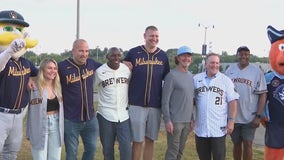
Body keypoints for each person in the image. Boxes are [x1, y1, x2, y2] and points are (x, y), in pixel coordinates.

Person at [124, 25, 170, 160]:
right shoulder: (134, 53)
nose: (154, 39)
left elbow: (167, 80)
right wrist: (123, 63)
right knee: (137, 141)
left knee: (150, 140)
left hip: (155, 105)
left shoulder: (162, 56)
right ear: (145, 36)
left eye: (156, 36)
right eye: (151, 36)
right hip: (136, 104)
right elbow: (121, 70)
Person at [0, 10, 38, 160]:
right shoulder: (4, 59)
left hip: (18, 115)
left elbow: (42, 73)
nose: (16, 34)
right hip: (1, 114)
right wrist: (8, 51)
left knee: (11, 153)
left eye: (19, 30)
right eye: (9, 29)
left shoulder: (25, 62)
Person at [58, 39, 101, 160]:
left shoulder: (91, 64)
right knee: (71, 154)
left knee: (91, 149)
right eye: (81, 51)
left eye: (87, 51)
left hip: (90, 118)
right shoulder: (62, 67)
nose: (84, 54)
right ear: (73, 51)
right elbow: (45, 74)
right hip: (71, 119)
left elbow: (110, 68)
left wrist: (125, 63)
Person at [193, 53, 239, 160]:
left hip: (218, 128)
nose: (215, 65)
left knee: (219, 157)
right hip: (201, 128)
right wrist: (191, 118)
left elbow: (233, 102)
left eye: (217, 63)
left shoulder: (225, 80)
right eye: (212, 63)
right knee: (203, 157)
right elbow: (190, 100)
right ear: (206, 64)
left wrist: (231, 121)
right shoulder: (196, 79)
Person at [225, 46, 267, 160]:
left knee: (248, 144)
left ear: (249, 56)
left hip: (250, 116)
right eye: (241, 54)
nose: (244, 56)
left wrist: (258, 115)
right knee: (236, 144)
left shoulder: (257, 72)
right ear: (237, 55)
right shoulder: (230, 70)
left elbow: (263, 94)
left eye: (246, 54)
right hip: (233, 117)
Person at [95, 47, 132, 160]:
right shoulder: (100, 71)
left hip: (124, 115)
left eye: (118, 55)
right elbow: (89, 88)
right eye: (113, 55)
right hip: (105, 115)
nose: (116, 58)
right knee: (107, 150)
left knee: (126, 149)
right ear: (107, 57)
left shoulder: (126, 70)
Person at [26, 58, 64, 160]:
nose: (53, 71)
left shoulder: (58, 86)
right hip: (39, 124)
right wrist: (29, 78)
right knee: (40, 157)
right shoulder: (33, 86)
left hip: (56, 124)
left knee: (55, 157)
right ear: (42, 69)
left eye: (55, 68)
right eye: (49, 68)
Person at [161, 45, 194, 160]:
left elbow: (190, 99)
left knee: (180, 150)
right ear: (178, 58)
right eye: (184, 56)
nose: (186, 58)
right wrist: (167, 120)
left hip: (187, 121)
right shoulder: (171, 76)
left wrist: (192, 118)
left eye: (189, 56)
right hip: (175, 121)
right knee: (173, 151)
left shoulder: (191, 77)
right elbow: (165, 100)